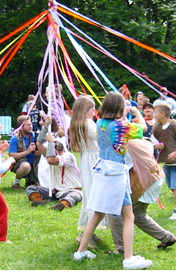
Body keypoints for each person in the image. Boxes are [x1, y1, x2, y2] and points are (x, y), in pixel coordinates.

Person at [74, 92, 153, 270]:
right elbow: (144, 129)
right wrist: (136, 111)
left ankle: (81, 251)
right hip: (117, 174)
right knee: (128, 216)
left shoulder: (100, 123)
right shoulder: (122, 125)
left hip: (102, 172)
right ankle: (129, 258)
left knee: (98, 213)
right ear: (119, 107)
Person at [109, 138, 176, 252]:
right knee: (138, 214)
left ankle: (122, 248)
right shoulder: (141, 140)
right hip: (156, 177)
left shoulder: (122, 145)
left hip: (144, 181)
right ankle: (167, 237)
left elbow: (122, 168)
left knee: (116, 210)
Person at [69, 95, 110, 249]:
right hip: (93, 160)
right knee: (96, 195)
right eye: (92, 108)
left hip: (87, 160)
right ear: (86, 110)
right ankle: (86, 233)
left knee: (90, 194)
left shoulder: (78, 123)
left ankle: (89, 232)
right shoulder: (89, 124)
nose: (95, 111)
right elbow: (102, 138)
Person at [27, 124, 82, 211]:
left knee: (74, 196)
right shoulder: (51, 155)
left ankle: (63, 204)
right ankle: (40, 201)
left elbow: (51, 160)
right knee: (31, 188)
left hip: (72, 190)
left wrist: (51, 143)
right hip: (56, 191)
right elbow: (39, 143)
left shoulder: (68, 156)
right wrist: (46, 127)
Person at [9, 115, 40, 189]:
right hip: (21, 163)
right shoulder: (15, 138)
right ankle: (16, 183)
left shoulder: (35, 136)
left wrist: (40, 151)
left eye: (31, 124)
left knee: (39, 185)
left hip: (36, 163)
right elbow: (12, 156)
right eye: (28, 125)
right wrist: (28, 151)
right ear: (21, 127)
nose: (31, 127)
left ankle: (31, 180)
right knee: (26, 166)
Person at [36, 116, 66, 188]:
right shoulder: (48, 134)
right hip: (47, 157)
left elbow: (58, 149)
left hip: (55, 158)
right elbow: (39, 141)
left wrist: (50, 143)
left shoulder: (58, 135)